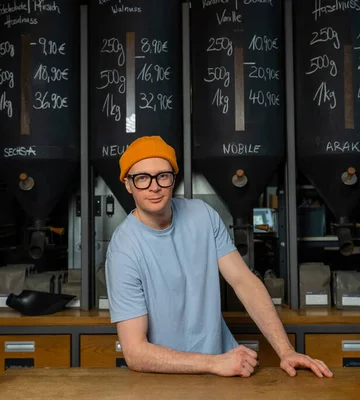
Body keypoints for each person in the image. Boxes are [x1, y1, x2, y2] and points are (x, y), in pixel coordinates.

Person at [105, 135, 333, 379]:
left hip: (226, 372)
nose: (154, 186)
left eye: (163, 175)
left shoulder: (202, 215)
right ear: (128, 184)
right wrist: (214, 363)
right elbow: (135, 353)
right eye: (142, 178)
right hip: (168, 378)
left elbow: (243, 281)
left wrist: (286, 351)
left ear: (173, 178)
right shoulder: (123, 250)